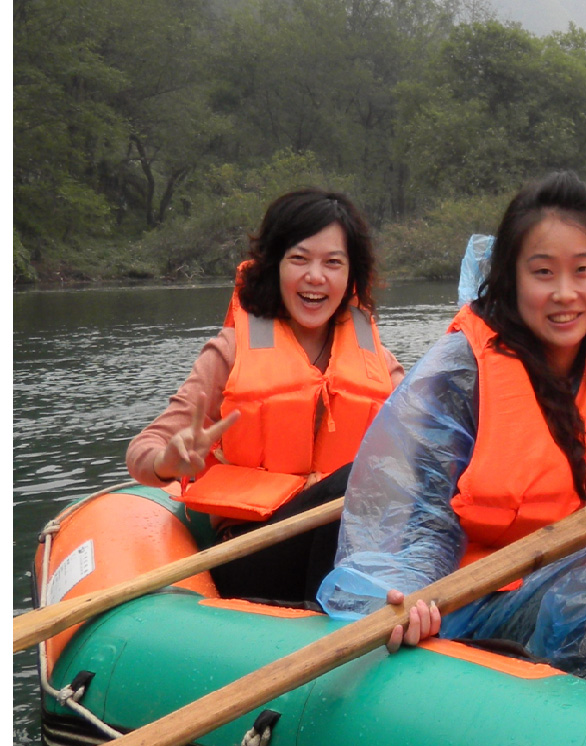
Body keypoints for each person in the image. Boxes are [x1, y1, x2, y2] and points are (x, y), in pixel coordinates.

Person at [317, 171, 586, 695]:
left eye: (583, 271)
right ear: (512, 279)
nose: (564, 293)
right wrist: (413, 597)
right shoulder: (465, 369)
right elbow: (425, 521)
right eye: (542, 273)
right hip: (476, 602)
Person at [127, 189, 404, 604]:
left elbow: (427, 440)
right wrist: (170, 459)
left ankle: (356, 607)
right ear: (274, 266)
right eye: (299, 259)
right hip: (251, 549)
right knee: (354, 479)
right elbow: (142, 452)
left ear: (351, 276)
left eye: (333, 263)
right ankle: (327, 619)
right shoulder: (231, 350)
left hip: (342, 546)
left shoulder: (378, 361)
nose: (316, 277)